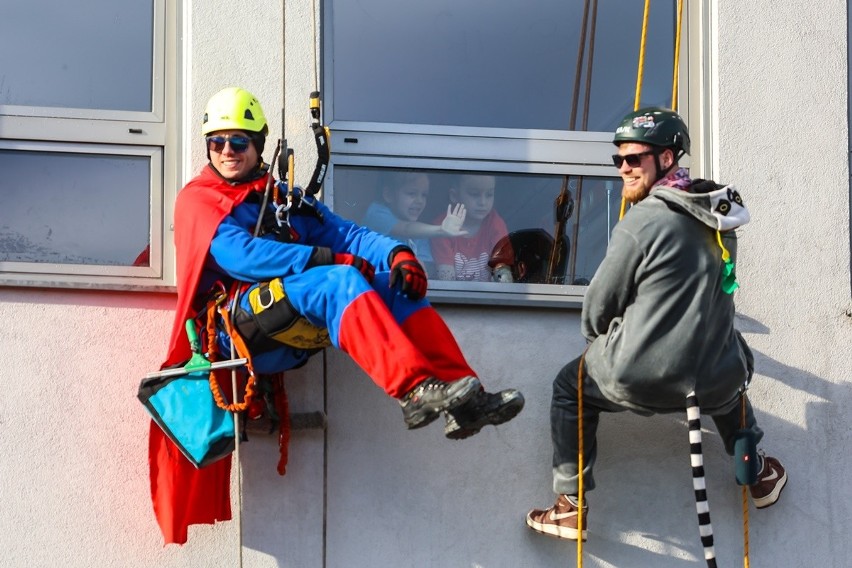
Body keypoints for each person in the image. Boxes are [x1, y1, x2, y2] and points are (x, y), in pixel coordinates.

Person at [148, 87, 525, 544]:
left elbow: (347, 232)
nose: (227, 151)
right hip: (238, 329)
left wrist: (398, 252)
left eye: (239, 141)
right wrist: (326, 259)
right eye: (217, 142)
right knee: (340, 280)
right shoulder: (199, 198)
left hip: (288, 315)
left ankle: (465, 399)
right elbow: (240, 256)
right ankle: (412, 391)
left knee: (394, 287)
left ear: (258, 145)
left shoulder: (280, 198)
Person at [525, 107, 787, 541]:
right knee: (732, 362)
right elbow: (720, 297)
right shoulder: (722, 223)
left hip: (638, 374)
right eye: (619, 160)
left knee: (569, 387)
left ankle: (570, 505)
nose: (623, 168)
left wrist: (607, 343)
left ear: (667, 159)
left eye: (634, 159)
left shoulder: (642, 221)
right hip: (711, 383)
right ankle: (754, 471)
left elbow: (598, 307)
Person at [361, 170, 468, 275]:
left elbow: (427, 266)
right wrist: (441, 229)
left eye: (424, 195)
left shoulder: (420, 233)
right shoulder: (376, 214)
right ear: (389, 195)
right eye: (411, 193)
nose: (419, 201)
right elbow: (406, 228)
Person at [432, 173, 509, 282]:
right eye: (474, 194)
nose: (483, 202)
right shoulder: (443, 227)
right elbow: (446, 276)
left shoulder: (495, 224)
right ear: (454, 196)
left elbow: (502, 271)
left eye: (489, 194)